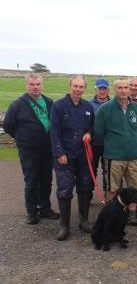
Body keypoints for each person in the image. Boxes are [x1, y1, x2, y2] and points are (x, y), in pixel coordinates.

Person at [4, 73, 59, 224]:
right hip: (29, 150)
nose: (35, 87)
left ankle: (45, 208)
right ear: (26, 85)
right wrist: (22, 138)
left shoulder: (49, 102)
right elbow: (8, 125)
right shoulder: (18, 104)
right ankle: (32, 212)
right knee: (31, 180)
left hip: (47, 149)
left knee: (46, 180)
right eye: (32, 84)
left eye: (38, 84)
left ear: (42, 85)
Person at [93, 78, 137, 227]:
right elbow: (98, 133)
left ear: (129, 90)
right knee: (112, 188)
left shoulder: (136, 108)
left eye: (126, 88)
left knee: (135, 187)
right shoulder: (105, 109)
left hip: (133, 156)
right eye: (120, 88)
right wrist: (112, 146)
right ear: (115, 90)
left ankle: (132, 216)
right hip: (114, 157)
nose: (124, 90)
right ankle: (110, 217)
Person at [49, 75, 94, 240]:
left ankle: (84, 221)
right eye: (75, 86)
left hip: (82, 156)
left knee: (84, 187)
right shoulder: (59, 106)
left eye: (81, 87)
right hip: (65, 156)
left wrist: (89, 133)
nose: (78, 89)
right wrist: (59, 153)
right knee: (65, 189)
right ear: (70, 86)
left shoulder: (88, 107)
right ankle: (64, 226)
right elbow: (54, 132)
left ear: (84, 89)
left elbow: (91, 127)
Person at [90, 78, 110, 199]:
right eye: (100, 88)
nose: (102, 91)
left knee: (107, 171)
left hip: (108, 144)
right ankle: (88, 194)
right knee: (91, 170)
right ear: (95, 89)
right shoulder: (89, 104)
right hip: (93, 144)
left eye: (104, 88)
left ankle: (108, 196)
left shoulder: (114, 104)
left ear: (108, 89)